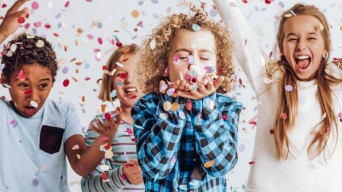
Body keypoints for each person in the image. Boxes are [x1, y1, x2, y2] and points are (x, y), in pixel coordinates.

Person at [213, 0, 342, 191]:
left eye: (311, 38)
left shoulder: (341, 83)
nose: (301, 45)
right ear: (281, 47)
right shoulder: (268, 79)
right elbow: (235, 24)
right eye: (292, 38)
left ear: (326, 47)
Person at [0, 1, 121, 191]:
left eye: (43, 85)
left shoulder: (63, 112)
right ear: (5, 79)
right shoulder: (2, 113)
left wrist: (103, 140)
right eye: (23, 85)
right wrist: (2, 34)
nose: (33, 96)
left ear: (52, 83)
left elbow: (81, 166)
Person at [131, 3, 243, 192]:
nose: (193, 66)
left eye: (205, 58)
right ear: (165, 64)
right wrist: (172, 109)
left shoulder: (227, 107)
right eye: (183, 57)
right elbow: (154, 168)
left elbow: (221, 165)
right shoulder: (147, 106)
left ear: (218, 65)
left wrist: (205, 108)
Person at [81, 44, 145, 191]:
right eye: (121, 74)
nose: (129, 80)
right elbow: (88, 187)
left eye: (138, 72)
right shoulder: (103, 125)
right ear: (111, 82)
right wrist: (122, 176)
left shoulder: (164, 125)